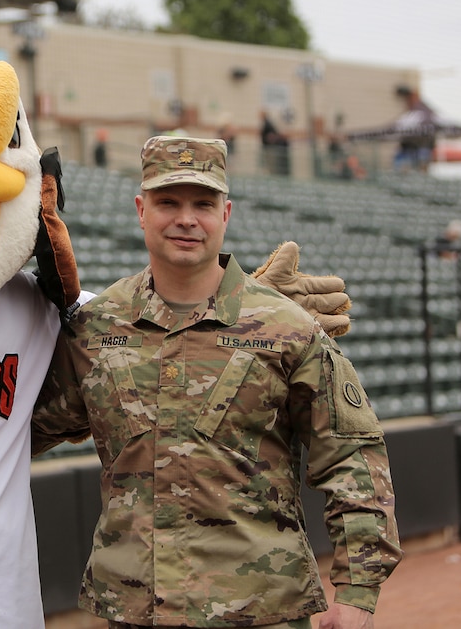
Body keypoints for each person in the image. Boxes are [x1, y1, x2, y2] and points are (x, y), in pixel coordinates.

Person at [33, 136, 402, 629]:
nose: (186, 218)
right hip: (136, 609)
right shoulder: (95, 330)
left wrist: (358, 590)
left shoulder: (286, 327)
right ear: (141, 211)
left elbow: (352, 455)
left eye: (203, 204)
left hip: (261, 608)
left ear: (225, 214)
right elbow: (21, 430)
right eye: (168, 202)